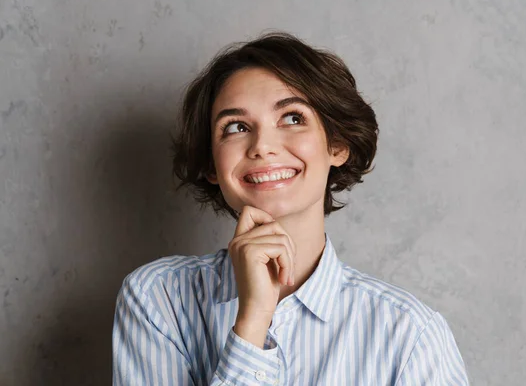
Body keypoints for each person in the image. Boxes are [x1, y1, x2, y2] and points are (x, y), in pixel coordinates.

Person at [112, 32, 469, 385]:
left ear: (338, 145)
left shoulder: (409, 336)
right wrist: (252, 322)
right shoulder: (157, 298)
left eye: (293, 118)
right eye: (236, 127)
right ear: (211, 166)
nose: (263, 146)